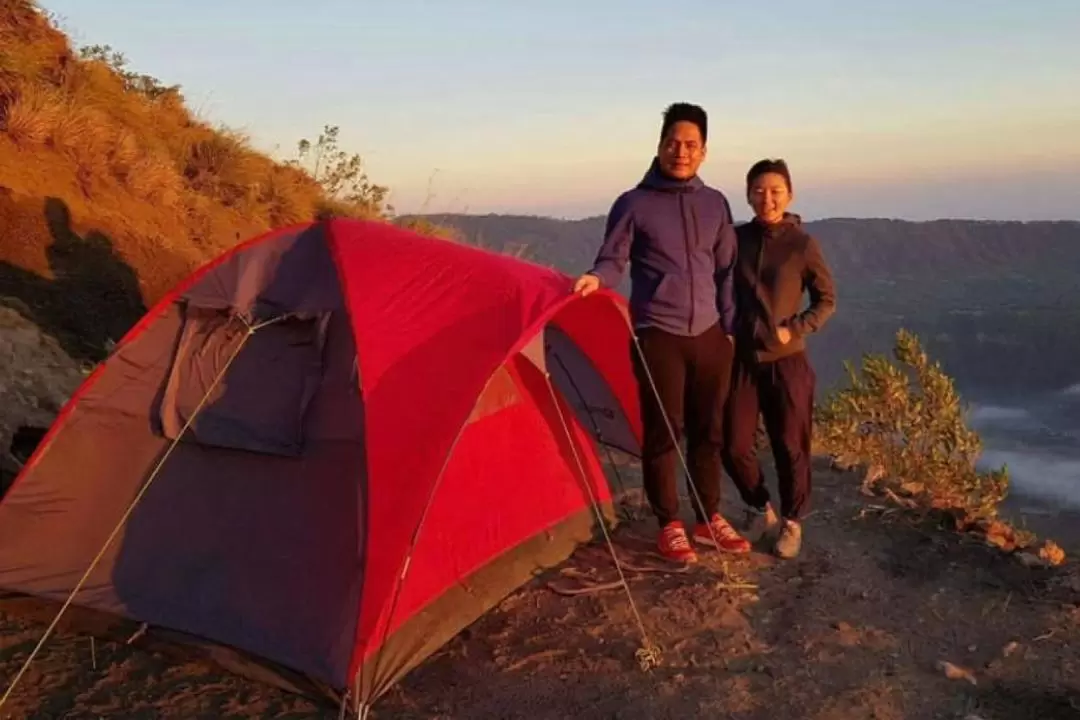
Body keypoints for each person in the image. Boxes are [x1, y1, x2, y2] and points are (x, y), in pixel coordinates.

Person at [573, 102, 750, 563]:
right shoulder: (633, 203)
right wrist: (598, 278)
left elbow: (727, 268)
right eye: (673, 142)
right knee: (663, 432)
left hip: (710, 335)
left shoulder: (715, 203)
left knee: (709, 431)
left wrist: (729, 329)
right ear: (659, 145)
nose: (681, 151)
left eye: (691, 144)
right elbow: (614, 258)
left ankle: (708, 517)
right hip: (658, 333)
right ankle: (669, 521)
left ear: (704, 151)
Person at [722, 158, 836, 559]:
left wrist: (797, 327)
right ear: (748, 194)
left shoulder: (802, 245)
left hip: (787, 361)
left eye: (775, 190)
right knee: (733, 444)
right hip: (743, 360)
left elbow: (826, 300)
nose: (766, 198)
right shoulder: (736, 240)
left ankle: (792, 522)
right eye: (758, 190)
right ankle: (759, 508)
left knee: (790, 445)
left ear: (789, 194)